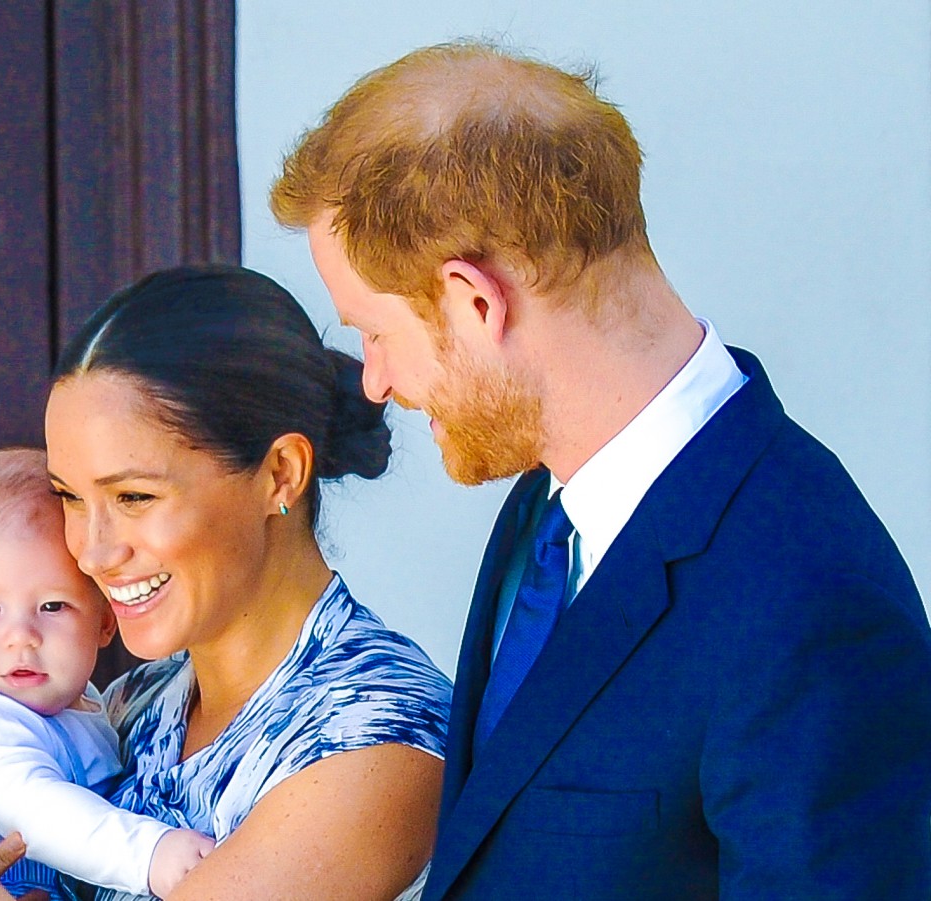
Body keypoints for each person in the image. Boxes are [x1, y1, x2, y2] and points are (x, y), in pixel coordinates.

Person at [269, 40, 931, 900]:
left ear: (477, 301)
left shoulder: (809, 598)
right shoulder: (544, 506)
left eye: (376, 331)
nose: (374, 379)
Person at [0, 265, 452, 900]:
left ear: (280, 474)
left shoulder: (376, 735)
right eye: (70, 497)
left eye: (134, 496)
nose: (93, 551)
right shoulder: (132, 703)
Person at [0, 447, 214, 901]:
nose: (21, 637)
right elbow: (32, 810)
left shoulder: (96, 704)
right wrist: (150, 854)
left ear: (105, 620)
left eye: (53, 606)